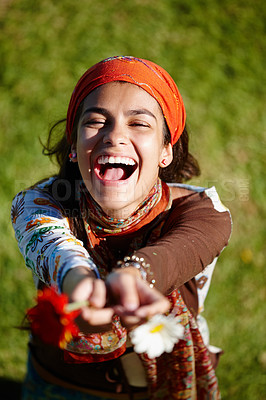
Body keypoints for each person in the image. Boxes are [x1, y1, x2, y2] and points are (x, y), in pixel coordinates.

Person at [11, 56, 232, 400]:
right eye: (96, 121)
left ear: (165, 151)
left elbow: (180, 251)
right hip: (60, 384)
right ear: (73, 148)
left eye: (139, 124)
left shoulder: (204, 212)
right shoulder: (40, 204)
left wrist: (134, 276)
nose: (115, 136)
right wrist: (81, 284)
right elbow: (55, 247)